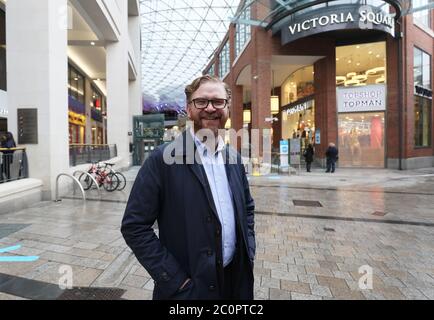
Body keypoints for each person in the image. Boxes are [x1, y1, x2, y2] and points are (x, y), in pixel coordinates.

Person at [121, 75, 256, 300]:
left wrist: (248, 251)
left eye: (218, 101)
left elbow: (247, 208)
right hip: (188, 290)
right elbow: (134, 227)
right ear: (189, 108)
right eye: (201, 101)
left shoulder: (233, 158)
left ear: (228, 107)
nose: (210, 108)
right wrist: (175, 281)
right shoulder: (162, 159)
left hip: (235, 283)